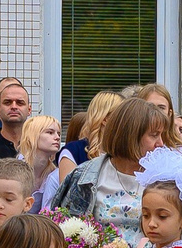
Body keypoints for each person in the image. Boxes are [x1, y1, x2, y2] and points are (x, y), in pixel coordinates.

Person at [57, 93, 171, 226]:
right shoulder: (84, 176)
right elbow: (66, 229)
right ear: (130, 136)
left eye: (161, 135)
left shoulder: (165, 178)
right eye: (154, 135)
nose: (161, 143)